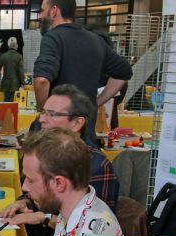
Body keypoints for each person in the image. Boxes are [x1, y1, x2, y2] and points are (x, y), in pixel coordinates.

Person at [0, 84, 120, 236]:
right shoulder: (46, 152)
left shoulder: (98, 166)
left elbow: (90, 235)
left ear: (77, 123)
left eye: (52, 114)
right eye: (43, 112)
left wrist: (43, 217)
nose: (42, 119)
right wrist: (24, 203)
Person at [33, 0, 132, 145]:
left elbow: (42, 79)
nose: (40, 17)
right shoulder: (96, 40)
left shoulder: (53, 37)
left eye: (42, 10)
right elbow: (124, 72)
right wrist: (96, 103)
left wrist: (44, 111)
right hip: (85, 134)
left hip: (57, 136)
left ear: (54, 11)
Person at [0, 36, 24, 102]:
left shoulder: (3, 56)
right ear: (16, 47)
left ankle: (5, 111)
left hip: (5, 82)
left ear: (9, 47)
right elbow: (21, 71)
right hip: (15, 83)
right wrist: (23, 82)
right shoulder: (19, 57)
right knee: (12, 101)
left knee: (6, 100)